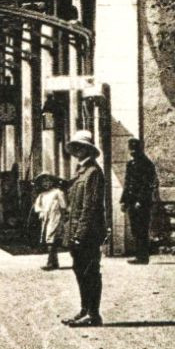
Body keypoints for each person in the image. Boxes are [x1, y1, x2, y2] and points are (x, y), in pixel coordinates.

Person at [62, 129, 107, 327]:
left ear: (88, 149)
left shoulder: (94, 173)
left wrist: (80, 233)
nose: (78, 150)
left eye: (82, 147)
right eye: (76, 147)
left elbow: (90, 206)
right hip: (77, 231)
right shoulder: (81, 172)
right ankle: (84, 309)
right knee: (80, 271)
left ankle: (93, 313)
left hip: (88, 232)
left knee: (90, 271)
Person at [121, 138, 159, 264]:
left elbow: (147, 184)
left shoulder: (146, 164)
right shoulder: (130, 164)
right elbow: (127, 184)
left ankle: (143, 257)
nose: (132, 152)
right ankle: (139, 255)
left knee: (142, 229)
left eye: (134, 149)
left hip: (142, 203)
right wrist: (124, 201)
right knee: (135, 229)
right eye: (130, 149)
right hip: (132, 202)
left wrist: (140, 200)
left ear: (139, 149)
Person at [32, 173, 66, 270]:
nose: (46, 184)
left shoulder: (57, 192)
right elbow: (37, 206)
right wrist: (40, 212)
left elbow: (63, 205)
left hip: (55, 217)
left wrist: (61, 216)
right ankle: (55, 262)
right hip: (46, 219)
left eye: (48, 181)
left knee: (51, 238)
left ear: (52, 182)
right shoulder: (42, 195)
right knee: (49, 239)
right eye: (44, 182)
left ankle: (50, 262)